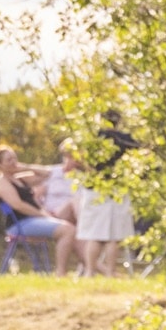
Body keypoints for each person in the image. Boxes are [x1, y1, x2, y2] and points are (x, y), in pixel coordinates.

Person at [81, 109, 140, 275]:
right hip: (118, 189)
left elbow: (85, 161)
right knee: (114, 236)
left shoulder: (93, 139)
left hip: (94, 189)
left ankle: (90, 272)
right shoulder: (126, 140)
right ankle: (110, 272)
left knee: (95, 235)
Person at [0, 147, 64, 273]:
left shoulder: (20, 179)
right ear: (0, 165)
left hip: (33, 221)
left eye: (14, 158)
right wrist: (42, 215)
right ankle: (62, 272)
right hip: (19, 225)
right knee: (66, 230)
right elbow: (18, 205)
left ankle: (89, 269)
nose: (13, 162)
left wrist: (25, 167)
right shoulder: (1, 182)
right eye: (9, 160)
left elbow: (47, 174)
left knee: (70, 226)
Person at [40, 140, 83, 274]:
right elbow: (36, 196)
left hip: (74, 219)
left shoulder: (81, 177)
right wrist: (41, 213)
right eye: (70, 157)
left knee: (77, 231)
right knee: (73, 202)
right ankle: (95, 268)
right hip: (53, 214)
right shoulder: (52, 172)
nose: (73, 161)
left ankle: (73, 271)